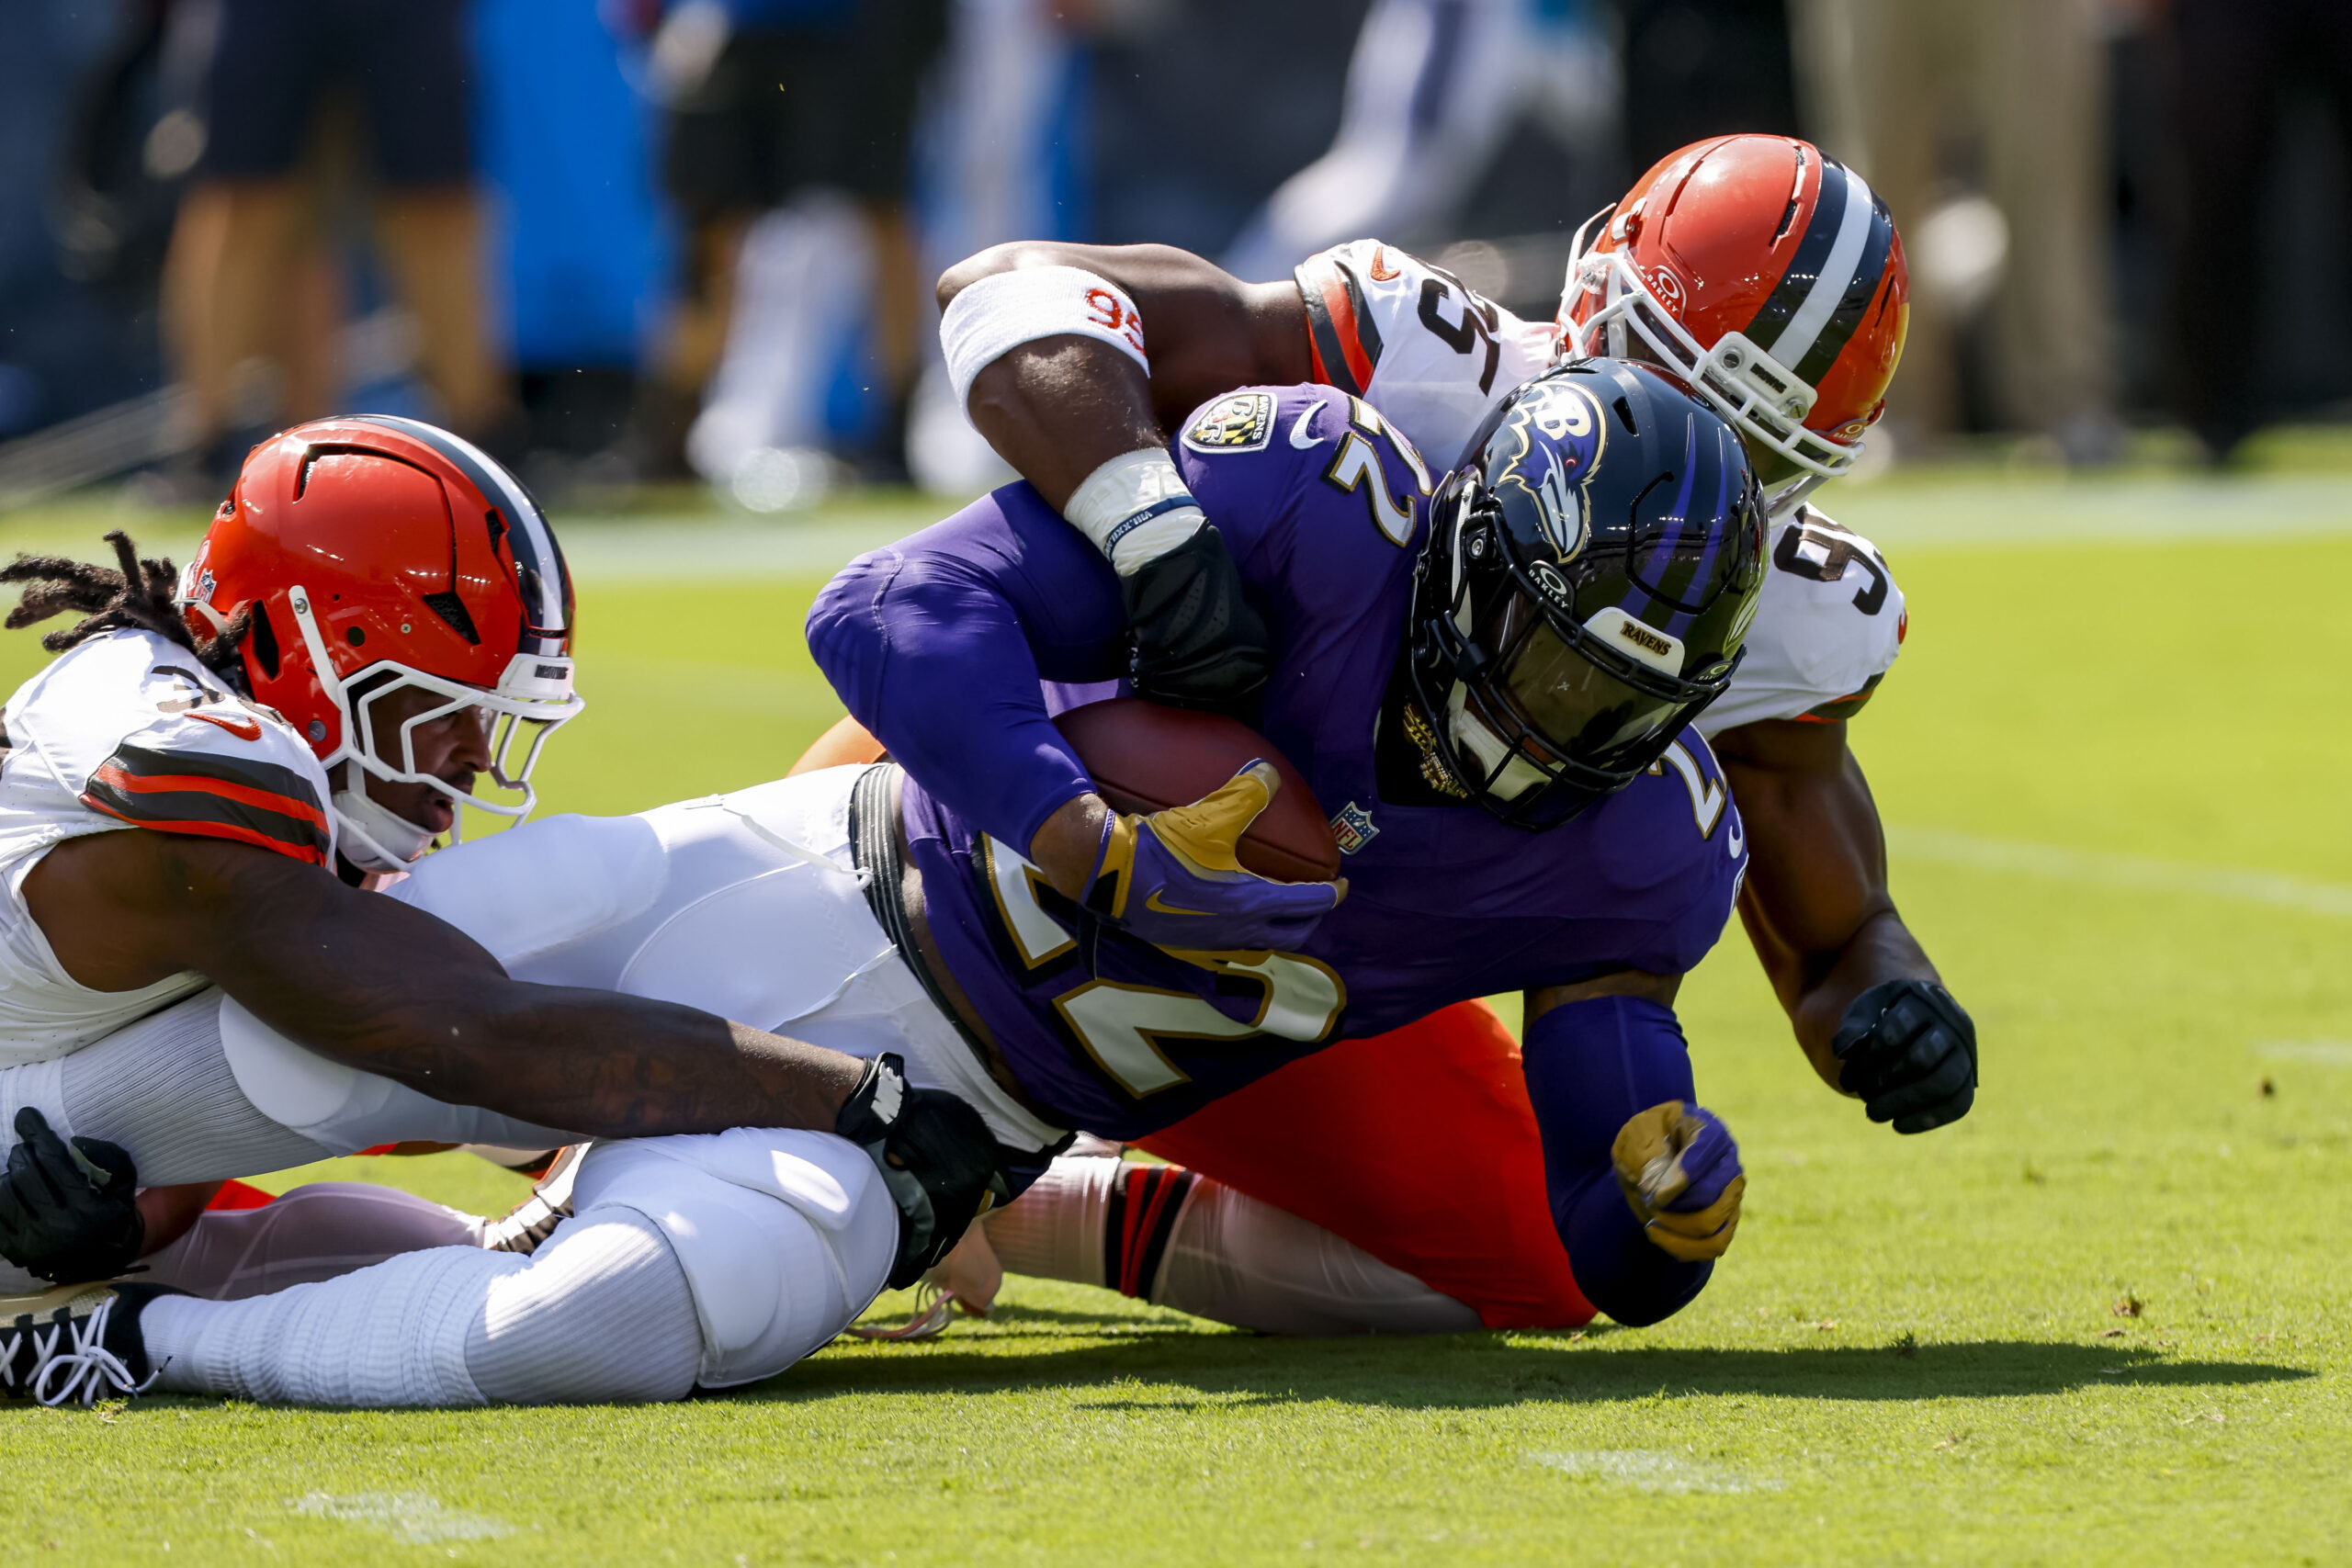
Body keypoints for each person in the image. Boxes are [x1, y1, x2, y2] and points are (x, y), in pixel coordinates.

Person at [1, 362, 1761, 1404]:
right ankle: (46, 1176)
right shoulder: (1311, 511)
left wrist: (1666, 1203)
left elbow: (1609, 1205)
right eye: (1551, 667)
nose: (1563, 731)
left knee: (606, 1318)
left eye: (1622, 705)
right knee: (358, 1022)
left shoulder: (1634, 849)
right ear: (1472, 563)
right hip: (801, 868)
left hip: (951, 1117)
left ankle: (133, 1344)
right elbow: (889, 612)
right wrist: (1081, 836)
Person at [895, 131, 1976, 1333]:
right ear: (1591, 300)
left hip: (1297, 979)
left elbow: (1837, 946)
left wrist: (1895, 1004)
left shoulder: (1792, 619)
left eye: (1758, 454)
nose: (1686, 476)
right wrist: (1151, 531)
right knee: (927, 727)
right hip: (1026, 825)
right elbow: (1011, 290)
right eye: (1669, 390)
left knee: (1555, 1257)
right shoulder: (1417, 361)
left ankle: (1050, 1207)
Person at [0, 414, 1002, 1318]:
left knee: (417, 1171)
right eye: (445, 705)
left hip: (30, 1123)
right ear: (318, 653)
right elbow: (467, 1035)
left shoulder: (196, 728)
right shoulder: (196, 767)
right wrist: (852, 1100)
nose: (475, 750)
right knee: (424, 1008)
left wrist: (129, 1222)